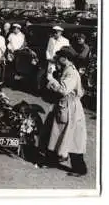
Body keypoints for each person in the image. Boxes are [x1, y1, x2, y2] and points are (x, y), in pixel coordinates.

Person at [42, 47, 87, 177]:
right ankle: (52, 160)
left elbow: (64, 90)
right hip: (65, 106)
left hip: (70, 107)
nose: (58, 58)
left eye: (60, 56)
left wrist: (51, 79)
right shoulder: (66, 70)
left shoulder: (71, 72)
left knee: (72, 138)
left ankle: (79, 168)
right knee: (55, 133)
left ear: (66, 58)